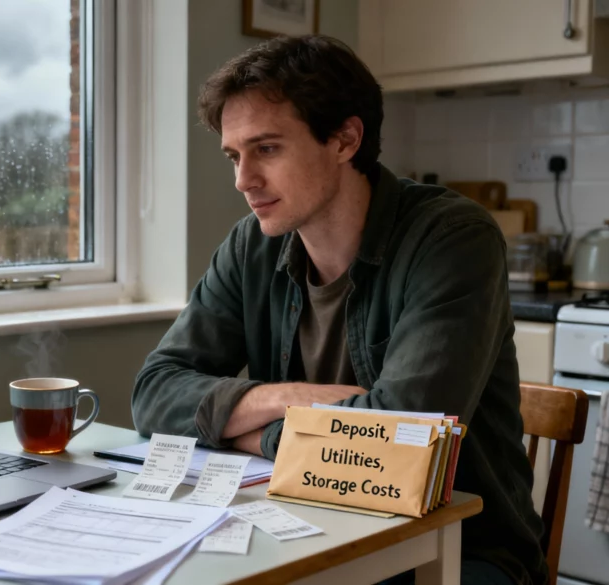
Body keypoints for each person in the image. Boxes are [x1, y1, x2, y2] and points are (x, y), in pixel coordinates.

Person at [130, 35, 546, 585]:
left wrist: (243, 432)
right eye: (235, 155)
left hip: (457, 547)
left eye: (268, 149)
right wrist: (282, 398)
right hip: (308, 523)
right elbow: (153, 393)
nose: (243, 180)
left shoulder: (452, 237)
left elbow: (406, 436)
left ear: (346, 139)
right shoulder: (251, 245)